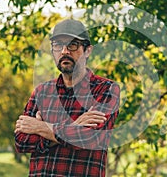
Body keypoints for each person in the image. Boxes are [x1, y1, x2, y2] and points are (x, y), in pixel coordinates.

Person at [14, 19, 120, 177]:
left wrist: (39, 127)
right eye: (58, 45)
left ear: (88, 50)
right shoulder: (42, 92)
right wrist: (74, 127)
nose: (64, 51)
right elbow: (21, 141)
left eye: (73, 45)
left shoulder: (106, 89)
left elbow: (88, 137)